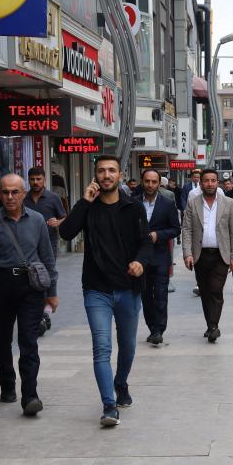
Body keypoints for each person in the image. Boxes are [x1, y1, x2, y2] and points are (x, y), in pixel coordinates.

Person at [59, 156, 151, 427]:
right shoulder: (89, 207)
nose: (106, 175)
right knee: (101, 347)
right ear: (95, 176)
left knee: (129, 347)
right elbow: (66, 232)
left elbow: (145, 242)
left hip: (128, 289)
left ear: (120, 175)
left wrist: (139, 262)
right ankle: (109, 405)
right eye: (101, 171)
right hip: (96, 289)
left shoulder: (133, 207)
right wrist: (84, 201)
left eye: (111, 171)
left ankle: (120, 382)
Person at [0, 174, 58, 416]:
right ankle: (7, 384)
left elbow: (47, 257)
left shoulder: (37, 221)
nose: (10, 197)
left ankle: (30, 395)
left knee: (28, 341)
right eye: (5, 192)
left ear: (24, 193)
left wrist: (51, 293)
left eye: (15, 192)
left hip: (30, 286)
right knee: (2, 340)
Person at [182, 168, 233, 343]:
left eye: (213, 180)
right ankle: (210, 325)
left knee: (215, 289)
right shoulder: (193, 203)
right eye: (206, 181)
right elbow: (187, 229)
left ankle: (214, 326)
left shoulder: (228, 203)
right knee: (205, 292)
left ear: (218, 183)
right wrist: (187, 254)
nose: (210, 184)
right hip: (201, 255)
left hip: (221, 255)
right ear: (201, 183)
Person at [136, 169, 180, 346]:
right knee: (146, 295)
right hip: (140, 258)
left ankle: (159, 330)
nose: (150, 185)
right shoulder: (134, 203)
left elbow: (176, 229)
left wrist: (158, 235)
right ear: (142, 181)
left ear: (158, 183)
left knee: (161, 294)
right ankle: (152, 326)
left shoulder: (167, 204)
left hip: (160, 256)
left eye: (154, 182)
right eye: (147, 181)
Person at [25, 167, 67, 331]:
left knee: (45, 276)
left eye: (38, 179)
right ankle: (41, 314)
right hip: (28, 246)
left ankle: (44, 313)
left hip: (49, 243)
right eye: (32, 179)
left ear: (44, 180)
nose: (35, 182)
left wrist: (57, 222)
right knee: (32, 278)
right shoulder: (23, 198)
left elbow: (64, 216)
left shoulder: (53, 197)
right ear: (28, 180)